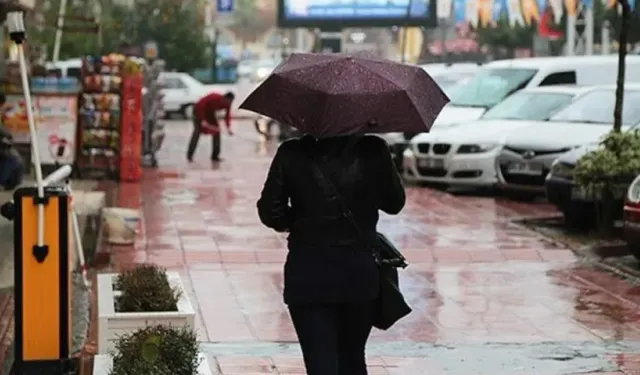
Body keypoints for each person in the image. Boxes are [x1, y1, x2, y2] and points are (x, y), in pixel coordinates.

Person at [256, 133, 406, 375]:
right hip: (360, 271)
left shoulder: (292, 152)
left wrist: (302, 220)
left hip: (309, 270)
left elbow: (270, 212)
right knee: (353, 357)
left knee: (319, 362)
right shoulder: (373, 149)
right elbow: (394, 203)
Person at [186, 91, 235, 162]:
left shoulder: (228, 104)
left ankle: (215, 156)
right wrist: (202, 120)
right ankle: (189, 155)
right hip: (198, 111)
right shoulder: (214, 97)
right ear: (225, 98)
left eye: (231, 102)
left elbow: (227, 116)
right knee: (197, 132)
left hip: (209, 113)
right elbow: (201, 105)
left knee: (217, 131)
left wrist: (228, 128)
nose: (229, 103)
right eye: (229, 101)